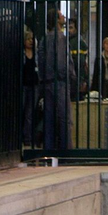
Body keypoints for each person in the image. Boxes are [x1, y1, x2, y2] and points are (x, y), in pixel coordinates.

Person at [37, 10, 75, 149]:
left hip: (47, 82)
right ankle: (66, 152)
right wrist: (70, 76)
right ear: (57, 19)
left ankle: (49, 151)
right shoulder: (60, 38)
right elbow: (62, 61)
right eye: (61, 15)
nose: (63, 16)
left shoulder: (44, 38)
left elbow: (40, 60)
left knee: (49, 119)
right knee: (65, 119)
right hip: (60, 82)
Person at [21, 27, 39, 147]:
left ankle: (27, 138)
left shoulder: (37, 55)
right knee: (21, 111)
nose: (31, 41)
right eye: (28, 39)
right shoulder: (21, 54)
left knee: (29, 114)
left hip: (34, 86)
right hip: (23, 85)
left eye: (32, 39)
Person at [66, 18, 89, 101]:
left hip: (74, 79)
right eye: (67, 27)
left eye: (71, 27)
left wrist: (82, 80)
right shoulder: (69, 41)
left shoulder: (77, 43)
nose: (68, 30)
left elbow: (81, 63)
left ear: (76, 28)